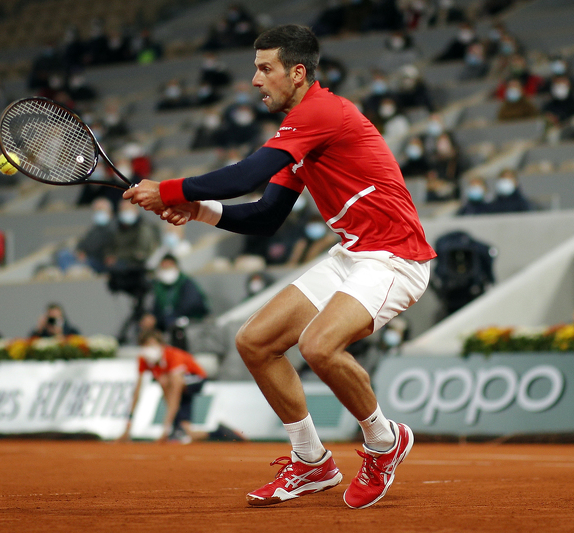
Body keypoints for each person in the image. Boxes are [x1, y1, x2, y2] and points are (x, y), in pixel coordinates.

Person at [124, 24, 436, 510]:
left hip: (396, 255)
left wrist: (169, 190)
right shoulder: (300, 135)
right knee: (255, 341)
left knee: (318, 345)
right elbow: (267, 216)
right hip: (353, 254)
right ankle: (311, 460)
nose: (255, 80)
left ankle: (383, 441)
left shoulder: (322, 112)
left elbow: (246, 174)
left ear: (297, 72)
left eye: (264, 68)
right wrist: (198, 210)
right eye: (255, 68)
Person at [118, 330, 244, 444]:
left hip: (195, 378)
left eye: (151, 344)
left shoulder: (173, 356)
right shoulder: (144, 360)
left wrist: (166, 428)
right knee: (189, 432)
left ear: (161, 345)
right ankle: (220, 432)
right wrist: (128, 425)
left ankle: (175, 428)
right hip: (176, 386)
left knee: (167, 383)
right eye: (144, 345)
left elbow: (175, 393)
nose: (148, 349)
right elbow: (137, 392)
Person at [149, 254, 210, 333]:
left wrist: (171, 317)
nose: (166, 270)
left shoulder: (186, 283)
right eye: (164, 268)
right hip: (166, 325)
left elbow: (190, 304)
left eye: (169, 267)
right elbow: (155, 308)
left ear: (176, 267)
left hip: (190, 325)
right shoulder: (158, 286)